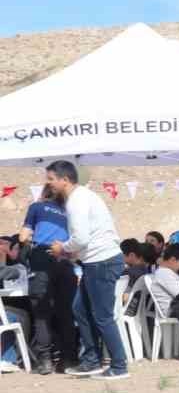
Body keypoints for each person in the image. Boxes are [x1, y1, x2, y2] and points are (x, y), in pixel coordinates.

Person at [46, 161, 130, 380]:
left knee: (102, 316)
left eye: (51, 179)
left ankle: (119, 366)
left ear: (65, 179)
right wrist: (71, 253)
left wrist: (62, 248)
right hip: (96, 261)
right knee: (80, 310)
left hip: (101, 261)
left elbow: (81, 238)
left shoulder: (76, 201)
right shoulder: (82, 196)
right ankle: (91, 361)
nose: (49, 183)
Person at [18, 184, 78, 373]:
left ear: (44, 193)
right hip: (65, 261)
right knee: (65, 312)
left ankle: (45, 361)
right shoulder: (70, 212)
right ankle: (68, 359)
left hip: (42, 258)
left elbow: (23, 237)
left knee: (41, 312)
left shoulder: (37, 207)